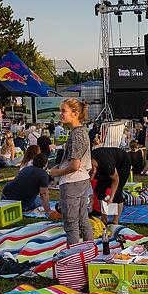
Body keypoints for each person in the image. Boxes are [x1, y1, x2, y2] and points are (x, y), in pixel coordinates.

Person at [48, 98, 93, 244]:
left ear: (75, 113)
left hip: (73, 181)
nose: (60, 114)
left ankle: (75, 257)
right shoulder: (79, 132)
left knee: (71, 223)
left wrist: (57, 173)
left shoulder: (77, 134)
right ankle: (89, 251)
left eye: (63, 111)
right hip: (80, 180)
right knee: (82, 219)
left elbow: (75, 165)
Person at [91, 146, 131, 225]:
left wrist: (111, 197)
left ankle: (115, 221)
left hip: (123, 163)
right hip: (107, 160)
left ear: (94, 167)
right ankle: (104, 218)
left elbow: (115, 179)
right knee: (99, 190)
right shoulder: (88, 161)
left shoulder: (107, 165)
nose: (92, 176)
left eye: (92, 173)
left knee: (117, 193)